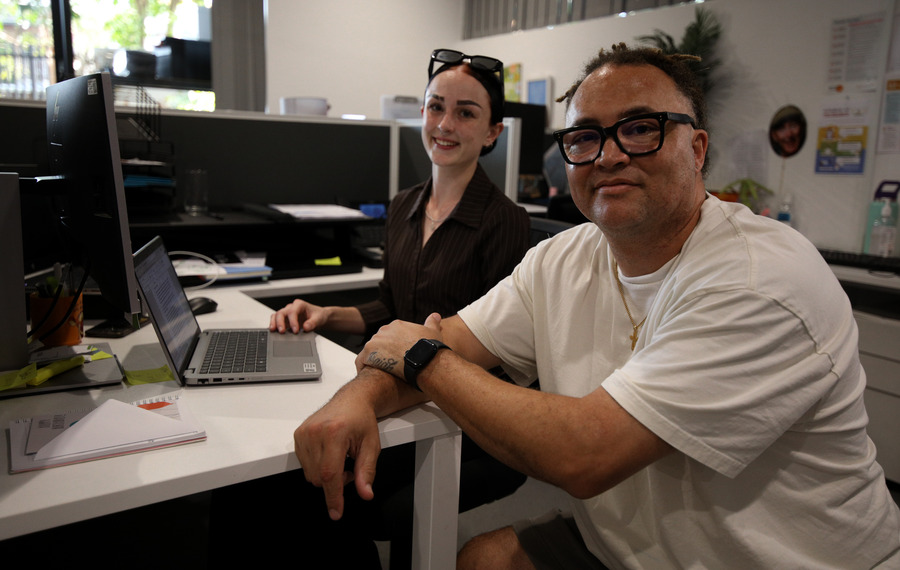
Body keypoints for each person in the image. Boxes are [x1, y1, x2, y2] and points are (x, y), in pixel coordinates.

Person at [295, 43, 900, 569]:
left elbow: (582, 453)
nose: (609, 154)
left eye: (641, 128)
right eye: (585, 137)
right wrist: (357, 397)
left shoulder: (758, 279)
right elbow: (449, 337)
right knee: (480, 559)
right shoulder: (564, 256)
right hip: (627, 547)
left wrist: (420, 355)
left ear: (698, 148)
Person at [210, 49, 530, 569]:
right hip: (394, 390)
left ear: (492, 132)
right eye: (435, 107)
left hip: (459, 418)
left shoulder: (504, 221)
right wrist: (325, 313)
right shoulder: (404, 204)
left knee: (304, 493)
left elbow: (495, 347)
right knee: (261, 477)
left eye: (466, 113)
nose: (445, 125)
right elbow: (389, 305)